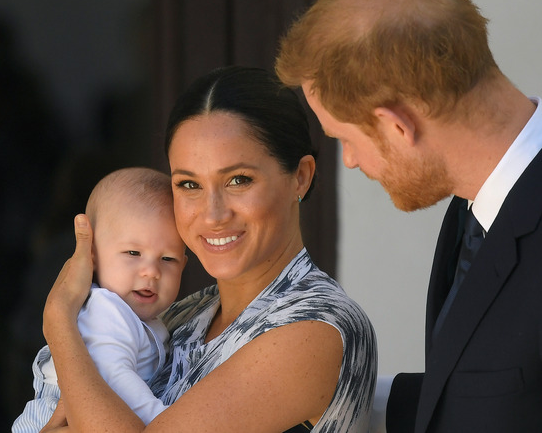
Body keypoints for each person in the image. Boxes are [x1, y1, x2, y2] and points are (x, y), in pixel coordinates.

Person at [275, 0, 542, 432]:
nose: (350, 160)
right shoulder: (482, 201)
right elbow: (505, 396)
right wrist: (333, 393)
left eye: (345, 138)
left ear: (398, 125)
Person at [40, 66, 377, 432]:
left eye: (238, 180)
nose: (213, 215)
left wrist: (59, 321)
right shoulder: (182, 316)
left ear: (301, 176)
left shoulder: (317, 326)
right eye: (188, 184)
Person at [13, 167, 188, 431]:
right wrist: (163, 421)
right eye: (133, 252)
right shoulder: (106, 310)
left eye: (168, 259)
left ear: (183, 265)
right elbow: (114, 378)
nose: (151, 271)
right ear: (92, 256)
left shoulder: (145, 318)